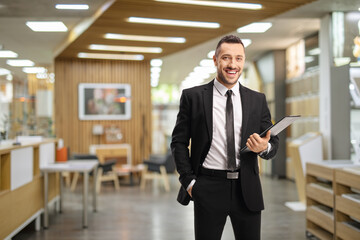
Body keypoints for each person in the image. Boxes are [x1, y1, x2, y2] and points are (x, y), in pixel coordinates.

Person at [171, 35, 279, 240]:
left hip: (247, 188)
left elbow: (273, 142)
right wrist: (189, 182)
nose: (233, 64)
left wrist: (264, 147)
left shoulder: (257, 100)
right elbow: (178, 142)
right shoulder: (193, 97)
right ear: (215, 60)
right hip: (207, 187)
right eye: (226, 58)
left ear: (243, 61)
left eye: (239, 58)